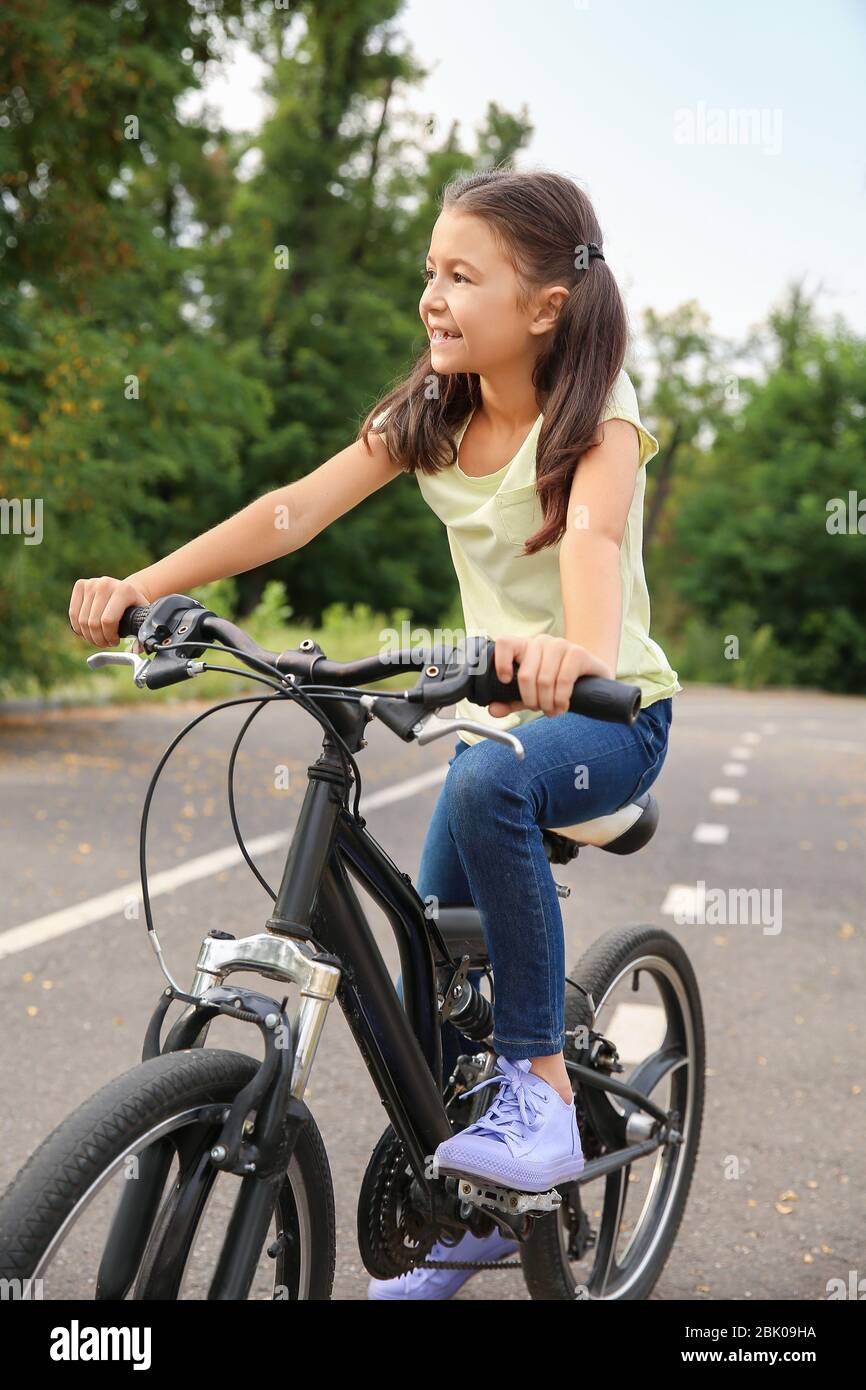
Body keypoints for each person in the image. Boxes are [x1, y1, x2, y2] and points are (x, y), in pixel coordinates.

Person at [68, 164, 680, 1304]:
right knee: (431, 959)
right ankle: (470, 1221)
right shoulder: (432, 416)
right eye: (426, 273)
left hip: (609, 716)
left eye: (461, 275)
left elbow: (590, 550)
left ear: (545, 305)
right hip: (497, 723)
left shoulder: (594, 423)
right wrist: (142, 584)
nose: (430, 298)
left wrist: (571, 658)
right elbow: (289, 510)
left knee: (483, 790)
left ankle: (539, 1092)